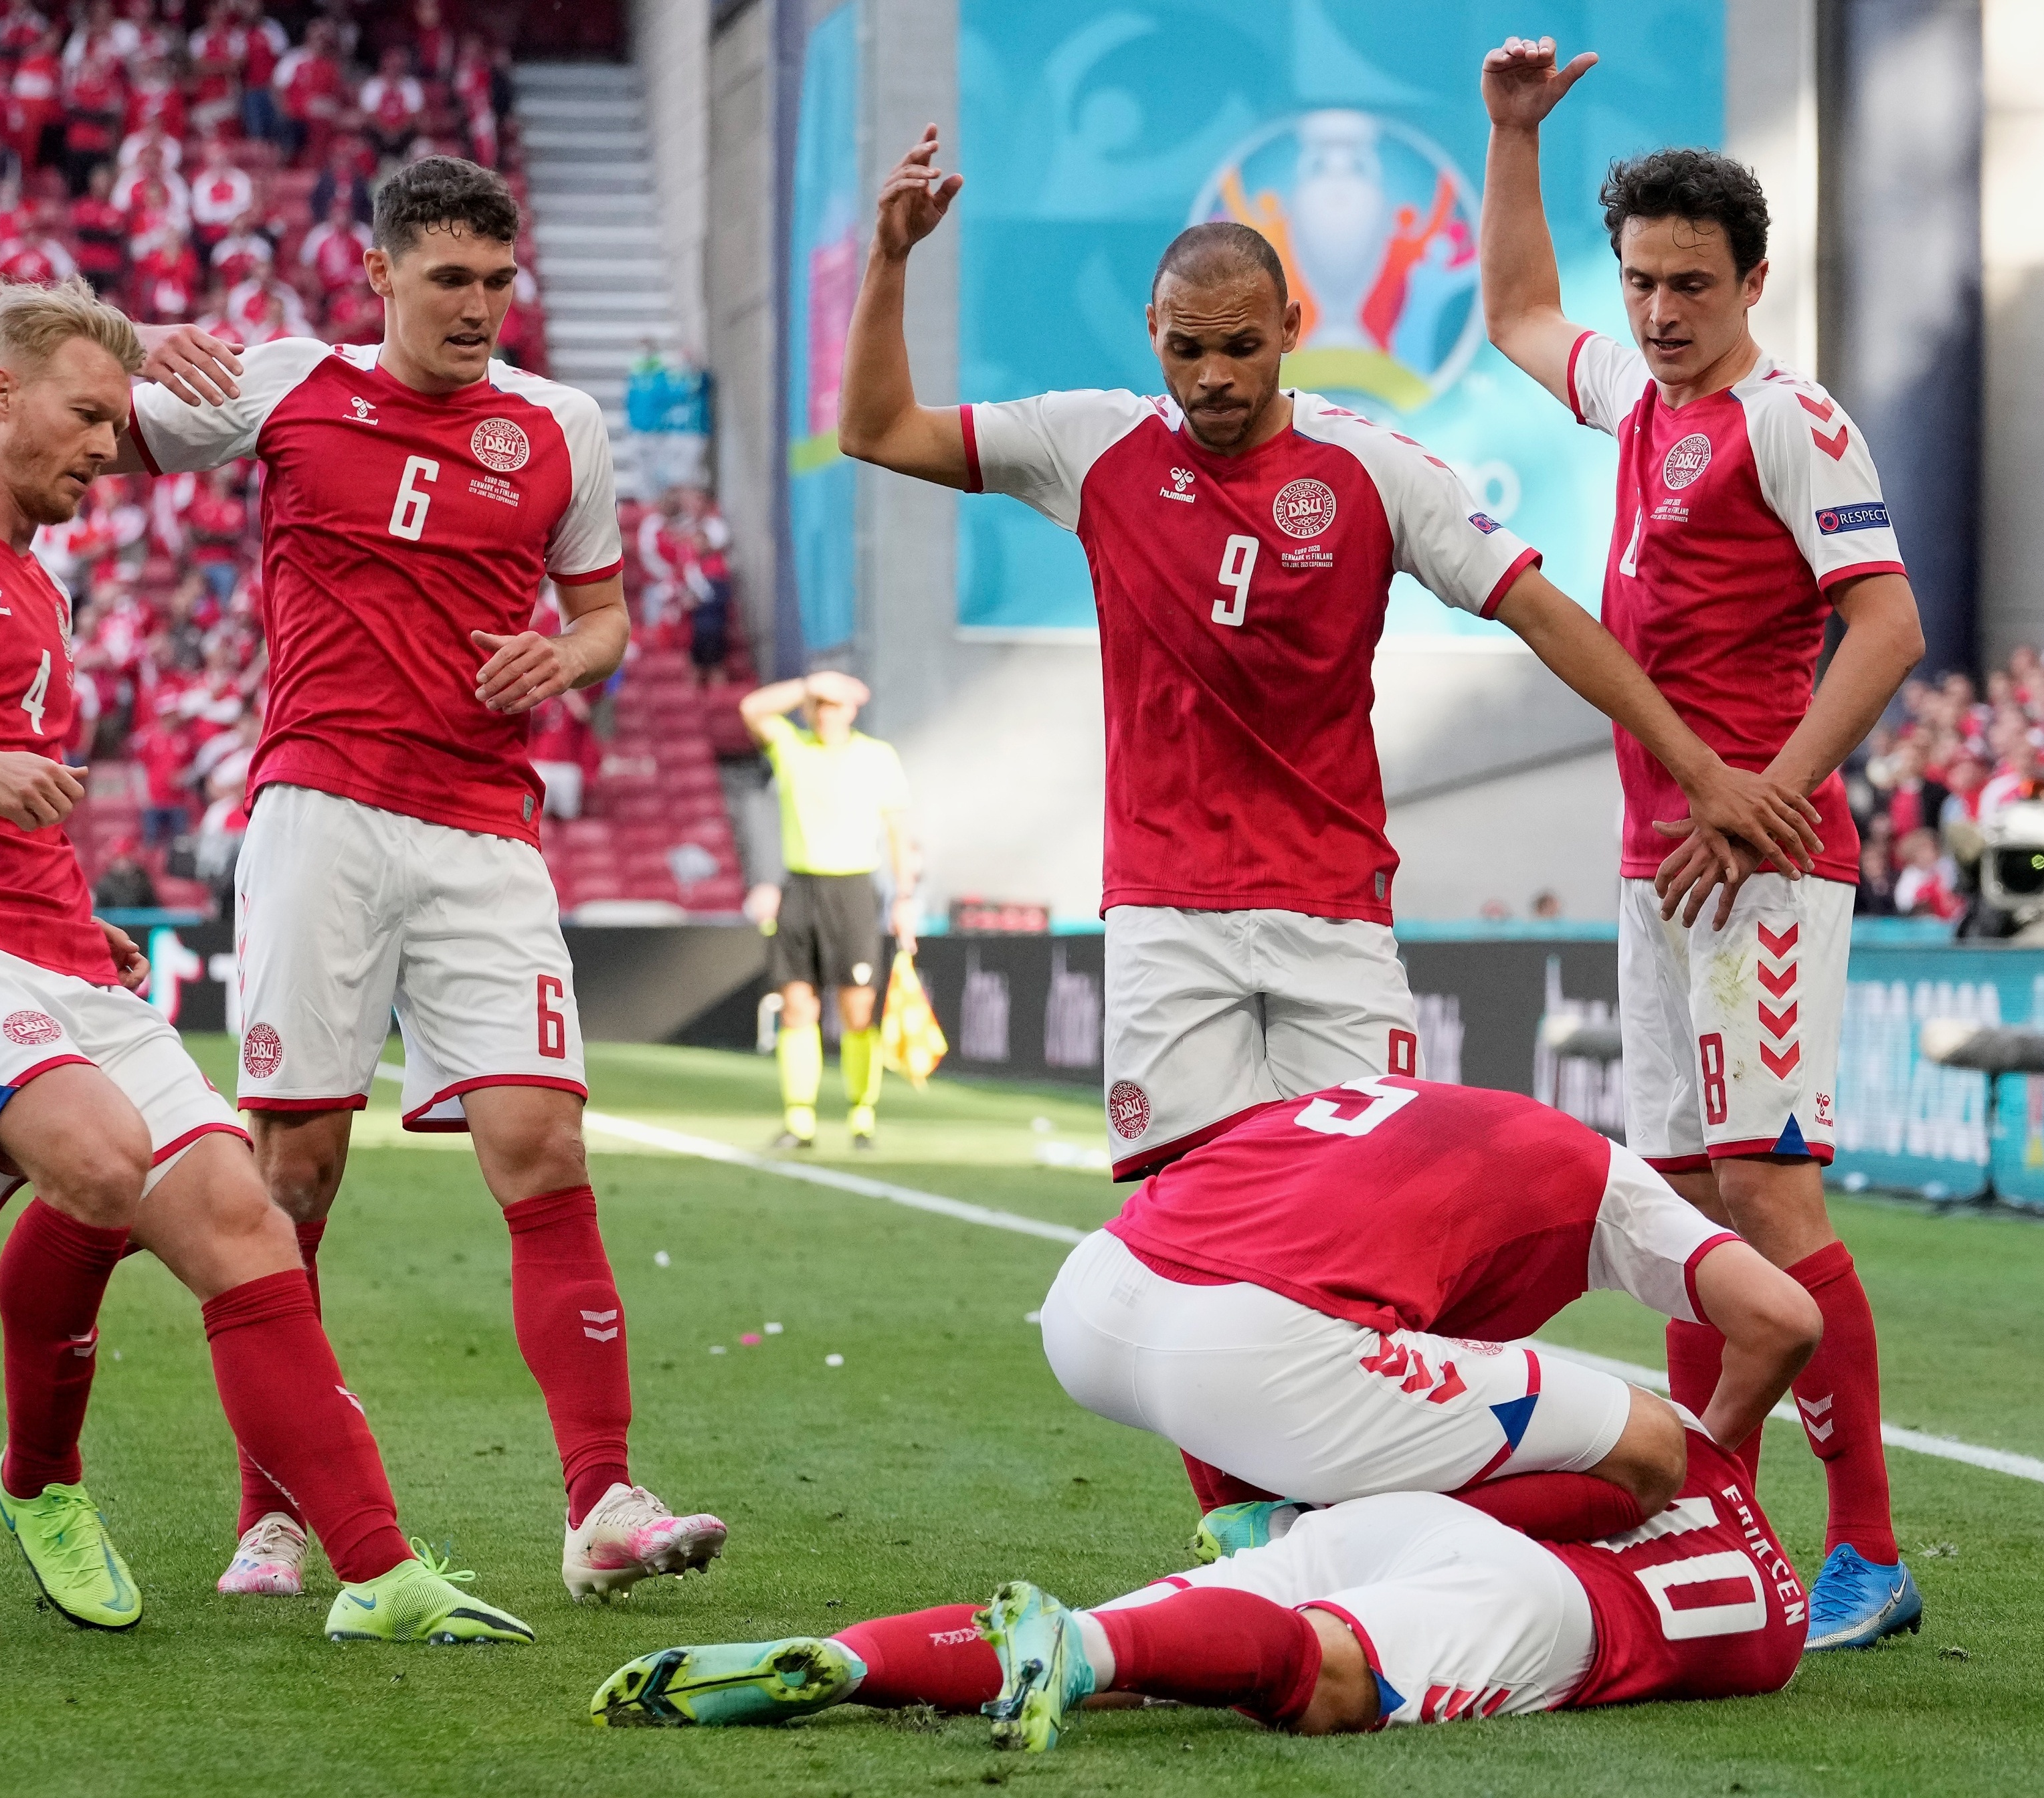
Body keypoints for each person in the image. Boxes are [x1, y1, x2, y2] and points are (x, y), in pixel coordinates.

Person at [838, 127, 1820, 1182]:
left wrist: (1701, 769)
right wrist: (889, 258)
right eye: (1187, 349)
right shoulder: (1093, 444)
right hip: (1165, 909)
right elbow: (879, 428)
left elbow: (1547, 615)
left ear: (1293, 329)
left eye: (1242, 348)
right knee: (1184, 1223)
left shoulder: (1375, 470)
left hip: (1334, 909)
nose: (1213, 378)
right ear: (1151, 332)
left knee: (1363, 1210)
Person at [0, 276, 531, 1646]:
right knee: (95, 1157)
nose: (108, 446)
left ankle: (379, 1572)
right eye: (88, 417)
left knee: (245, 1219)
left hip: (57, 953)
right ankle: (41, 1480)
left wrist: (82, 930)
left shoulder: (31, 573)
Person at [114, 156, 728, 1601]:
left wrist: (559, 658)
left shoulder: (557, 426)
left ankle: (601, 1504)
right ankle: (270, 1513)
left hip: (481, 829)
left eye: (497, 283)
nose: (476, 308)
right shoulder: (276, 383)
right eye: (448, 279)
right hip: (316, 815)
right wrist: (138, 340)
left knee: (544, 1147)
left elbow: (602, 621)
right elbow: (92, 433)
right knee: (294, 1176)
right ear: (377, 272)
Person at [1477, 35, 1930, 1647]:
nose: (1659, 314)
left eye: (1691, 285)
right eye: (1644, 283)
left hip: (1766, 867)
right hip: (1651, 864)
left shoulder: (1792, 422)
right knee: (1672, 1210)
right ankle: (1718, 1531)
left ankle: (1867, 1553)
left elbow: (1885, 624)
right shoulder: (1636, 399)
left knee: (1770, 1206)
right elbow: (1522, 317)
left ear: (1749, 284)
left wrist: (1772, 791)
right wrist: (1511, 137)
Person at [589, 1425, 1803, 1744]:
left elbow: (1506, 1485)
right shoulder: (1777, 1627)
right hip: (1556, 1617)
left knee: (1156, 1630)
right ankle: (1075, 1655)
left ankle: (856, 1656)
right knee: (1316, 1675)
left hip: (1415, 1525)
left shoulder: (1664, 1440)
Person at [1040, 1073, 1819, 1549]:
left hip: (1088, 1299)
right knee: (1649, 1445)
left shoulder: (1395, 1106)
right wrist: (1705, 1454)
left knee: (1314, 1346)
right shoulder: (1613, 1186)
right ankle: (1308, 1552)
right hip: (1252, 1351)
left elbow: (1227, 1278)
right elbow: (1784, 1319)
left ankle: (1253, 1545)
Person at [739, 669, 919, 1150]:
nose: (825, 713)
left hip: (855, 889)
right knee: (797, 1005)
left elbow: (900, 834)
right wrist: (810, 683)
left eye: (834, 704)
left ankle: (861, 1115)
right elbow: (752, 708)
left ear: (852, 710)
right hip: (801, 888)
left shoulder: (877, 757)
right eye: (819, 704)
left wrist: (904, 897)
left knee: (858, 1008)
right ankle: (800, 1121)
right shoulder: (792, 747)